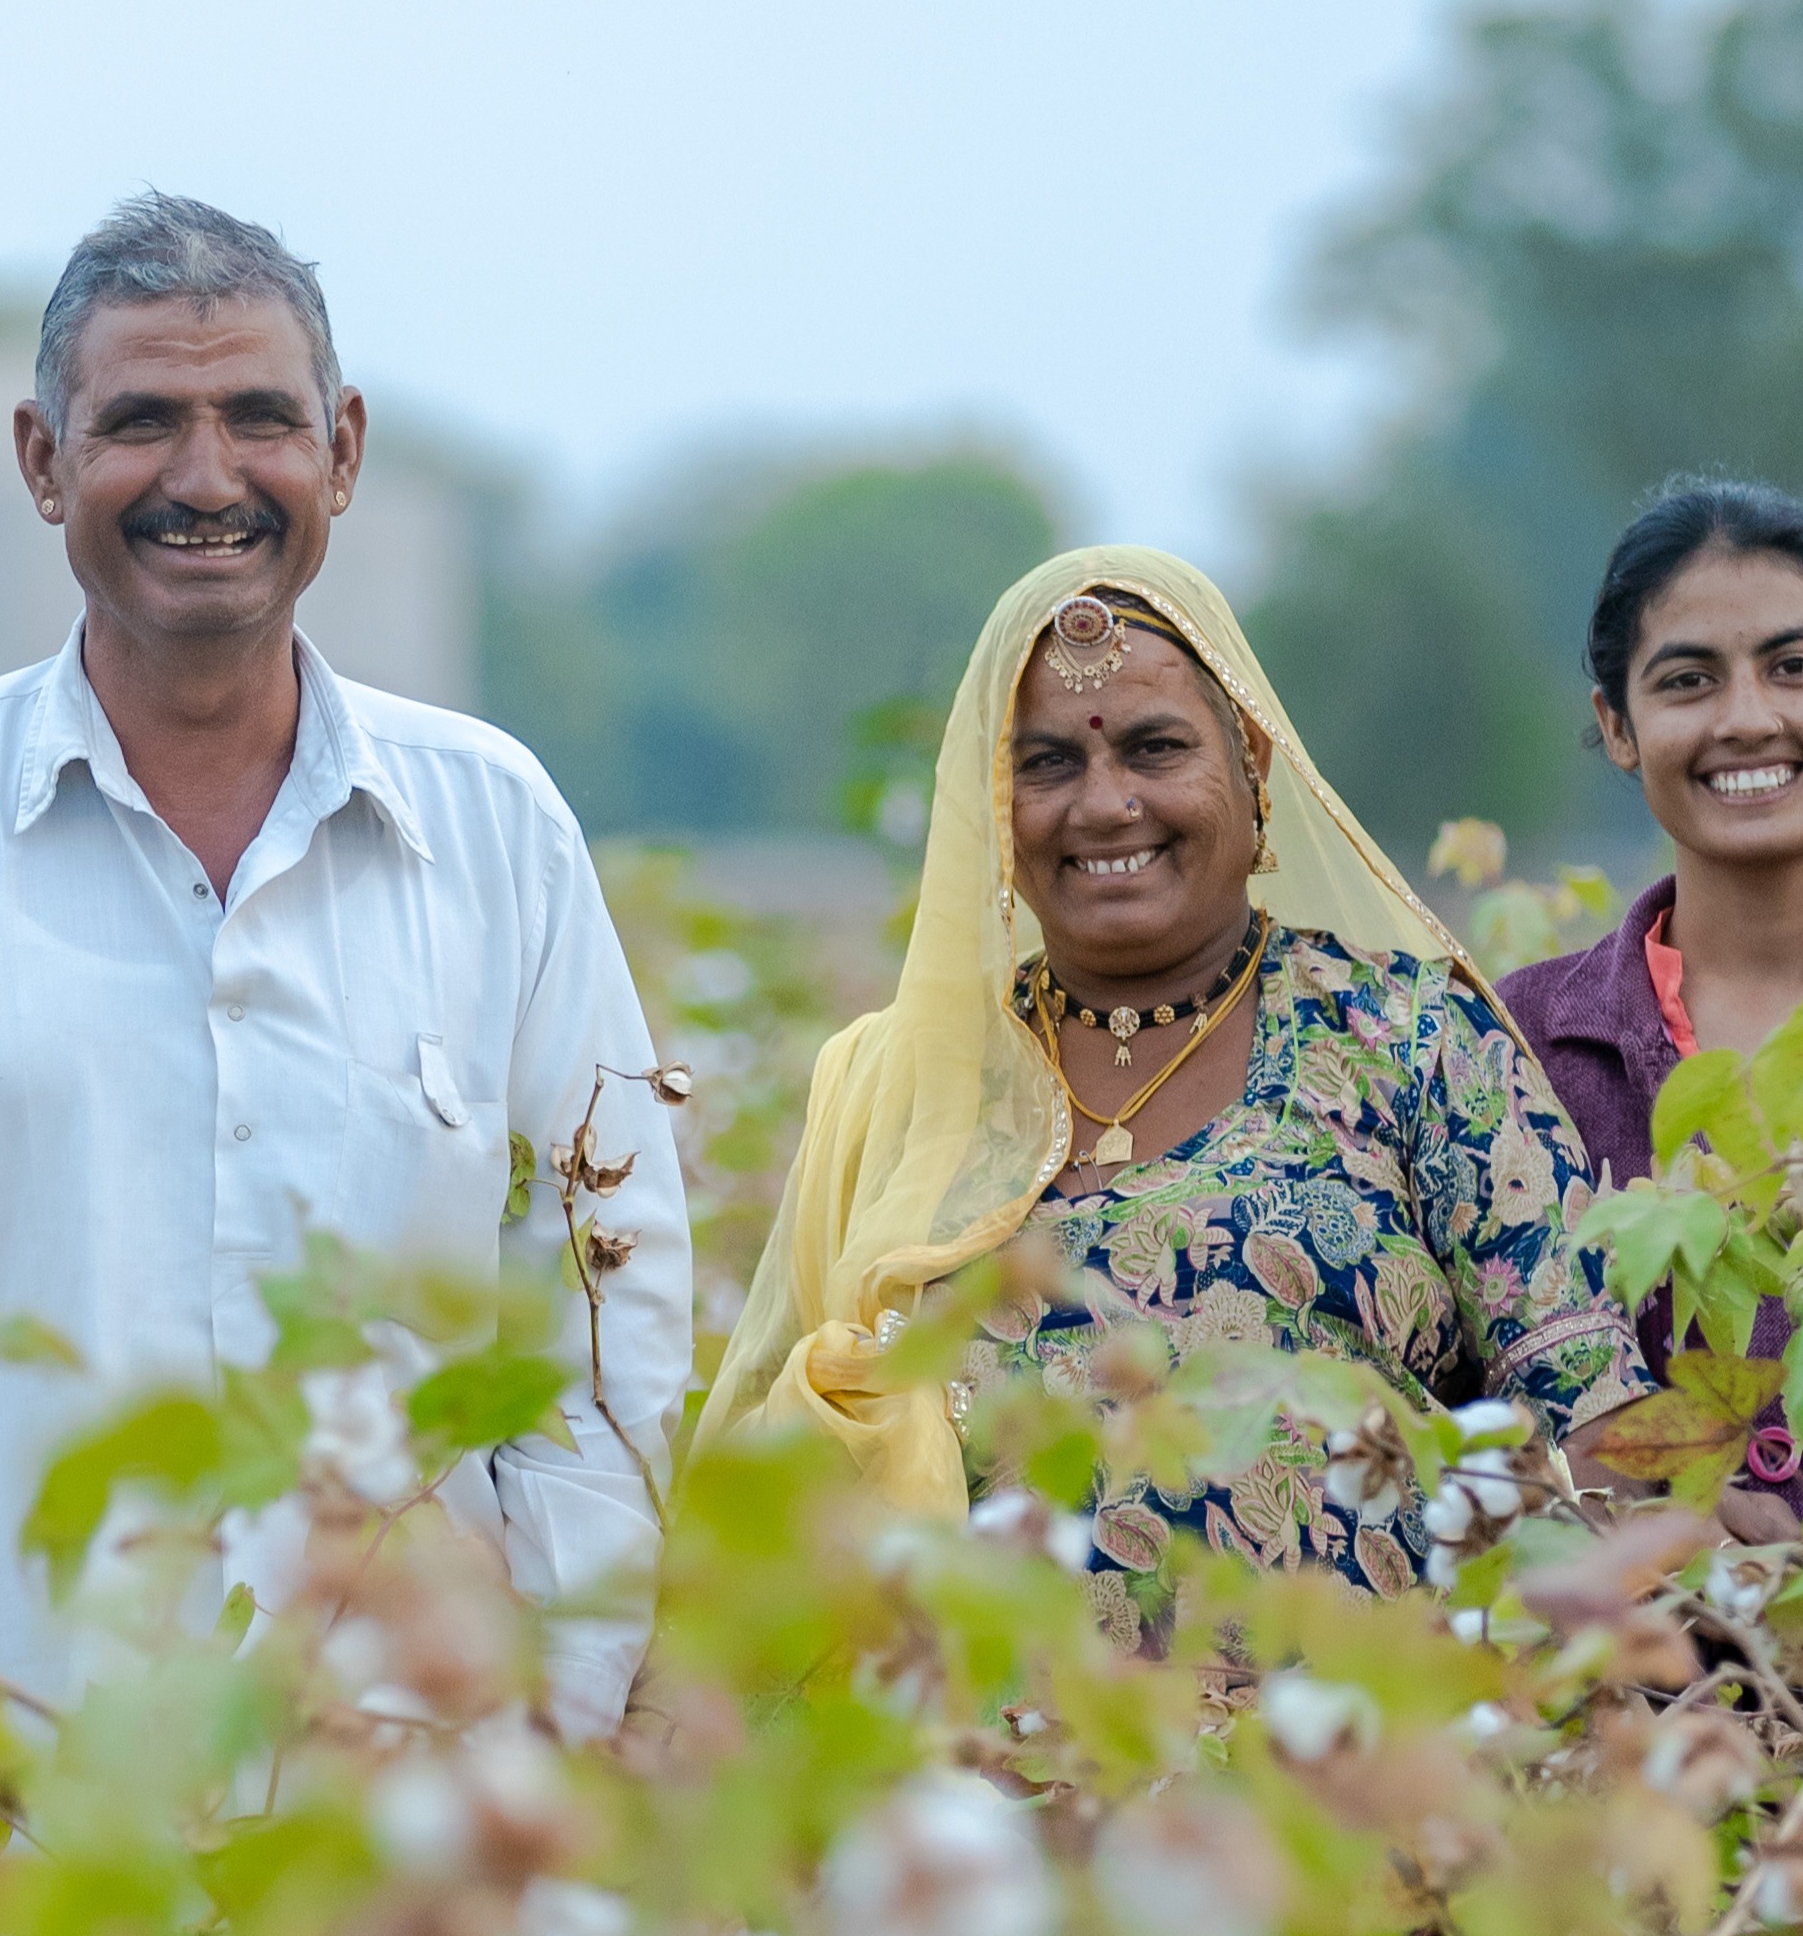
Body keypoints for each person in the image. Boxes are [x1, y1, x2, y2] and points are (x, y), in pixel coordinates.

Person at [0, 195, 689, 1728]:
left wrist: (551, 1721)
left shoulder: (496, 828)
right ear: (44, 460)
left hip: (387, 1813)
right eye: (142, 421)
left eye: (259, 420)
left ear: (342, 451)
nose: (206, 479)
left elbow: (597, 1325)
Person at [697, 547, 1648, 1607]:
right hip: (962, 1759)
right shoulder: (911, 1082)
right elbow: (770, 1462)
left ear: (1250, 764)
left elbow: (1598, 1427)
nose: (1104, 806)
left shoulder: (1414, 1041)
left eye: (1154, 749)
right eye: (1045, 764)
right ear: (987, 807)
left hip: (1350, 1747)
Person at [1497, 479, 1803, 1516]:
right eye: (1687, 680)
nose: (1746, 719)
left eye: (1793, 667)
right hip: (1615, 1665)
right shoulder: (1510, 1048)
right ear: (1615, 724)